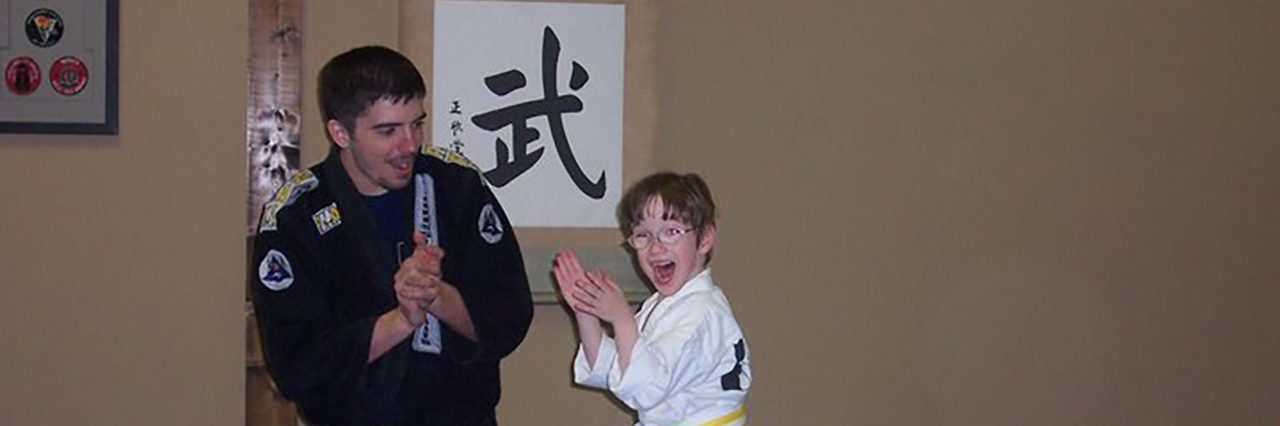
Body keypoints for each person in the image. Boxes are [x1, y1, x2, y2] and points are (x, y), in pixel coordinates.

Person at [250, 45, 533, 426]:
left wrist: (436, 295)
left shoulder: (457, 187)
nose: (409, 145)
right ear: (340, 133)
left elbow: (509, 317)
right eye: (387, 131)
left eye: (416, 123)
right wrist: (402, 319)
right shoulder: (295, 217)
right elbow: (297, 364)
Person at [554, 172, 751, 426]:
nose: (656, 247)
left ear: (704, 239)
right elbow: (617, 367)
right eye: (643, 235)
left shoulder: (701, 313)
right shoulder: (665, 304)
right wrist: (586, 312)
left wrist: (622, 319)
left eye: (671, 231)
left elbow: (646, 388)